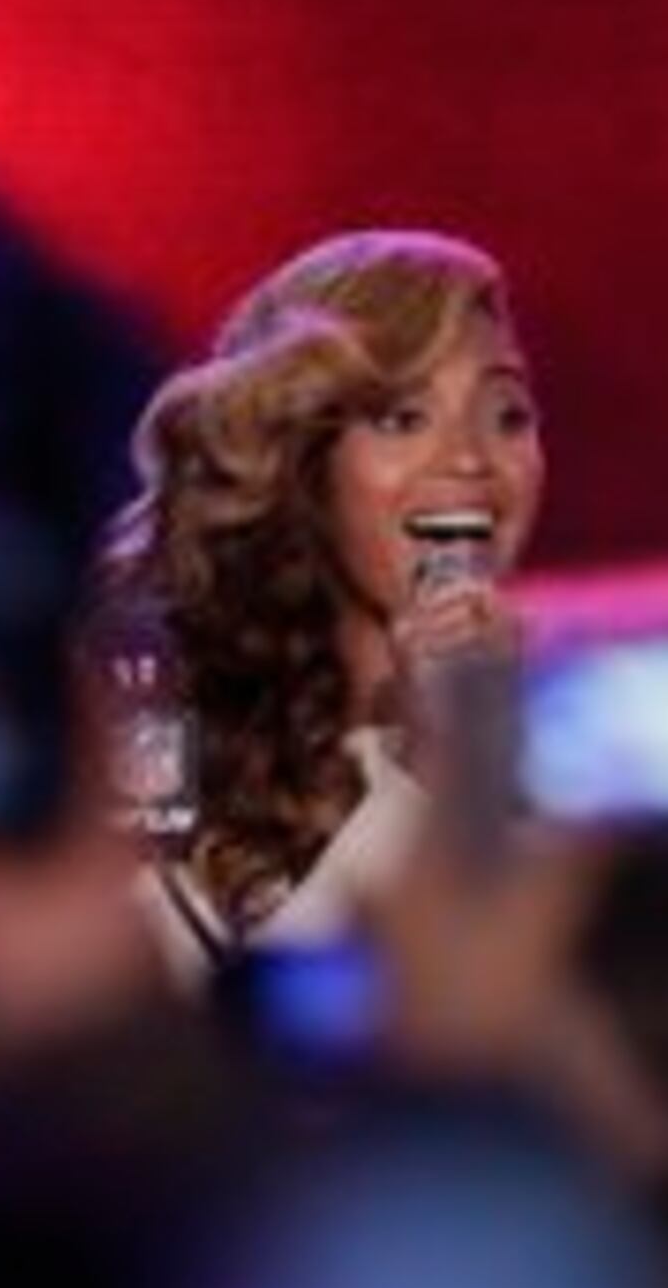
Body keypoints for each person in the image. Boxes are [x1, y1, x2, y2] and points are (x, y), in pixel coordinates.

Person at [98, 228, 541, 969]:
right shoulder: (153, 726)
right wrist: (424, 774)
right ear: (304, 461)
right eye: (402, 418)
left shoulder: (566, 764)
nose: (471, 459)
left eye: (509, 415)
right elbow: (188, 1013)